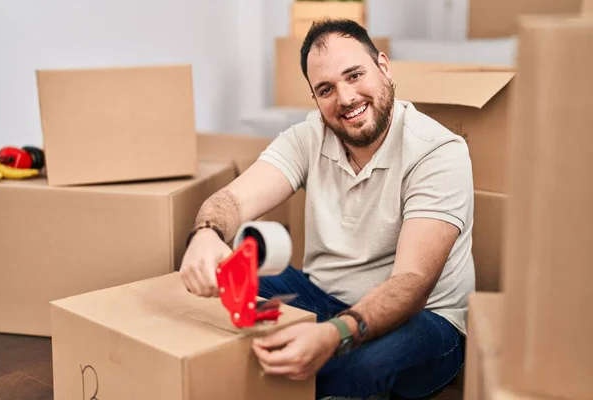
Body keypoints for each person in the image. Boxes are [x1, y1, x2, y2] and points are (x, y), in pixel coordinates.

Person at [180, 18, 475, 400]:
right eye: (326, 89)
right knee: (216, 285)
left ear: (383, 67)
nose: (346, 98)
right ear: (315, 98)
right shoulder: (308, 136)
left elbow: (413, 282)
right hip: (322, 296)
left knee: (361, 369)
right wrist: (206, 233)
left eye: (355, 75)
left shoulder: (437, 151)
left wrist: (334, 335)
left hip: (426, 318)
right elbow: (233, 200)